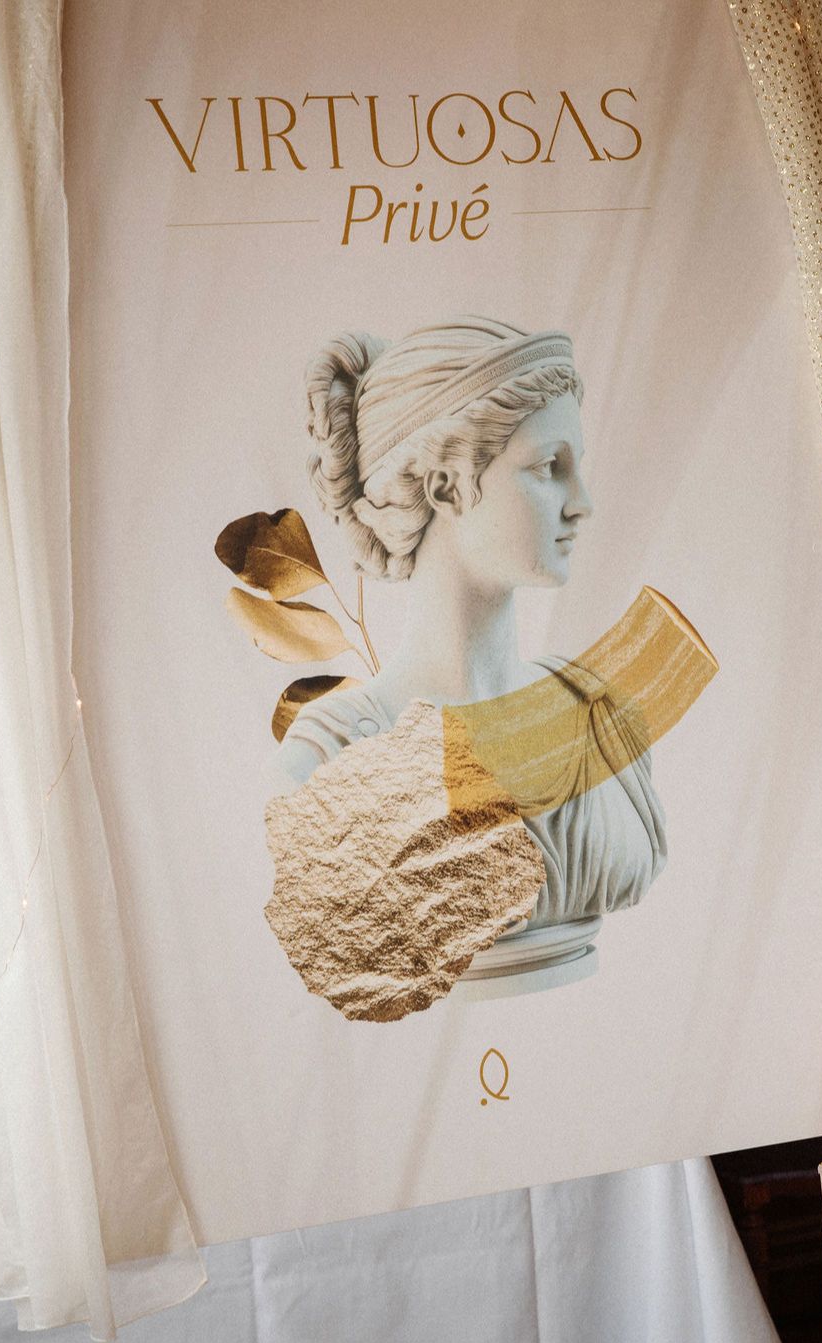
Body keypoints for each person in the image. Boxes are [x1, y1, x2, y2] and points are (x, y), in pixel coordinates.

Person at [273, 317, 668, 940]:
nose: (581, 502)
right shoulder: (327, 763)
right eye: (549, 466)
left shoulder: (602, 720)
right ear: (447, 488)